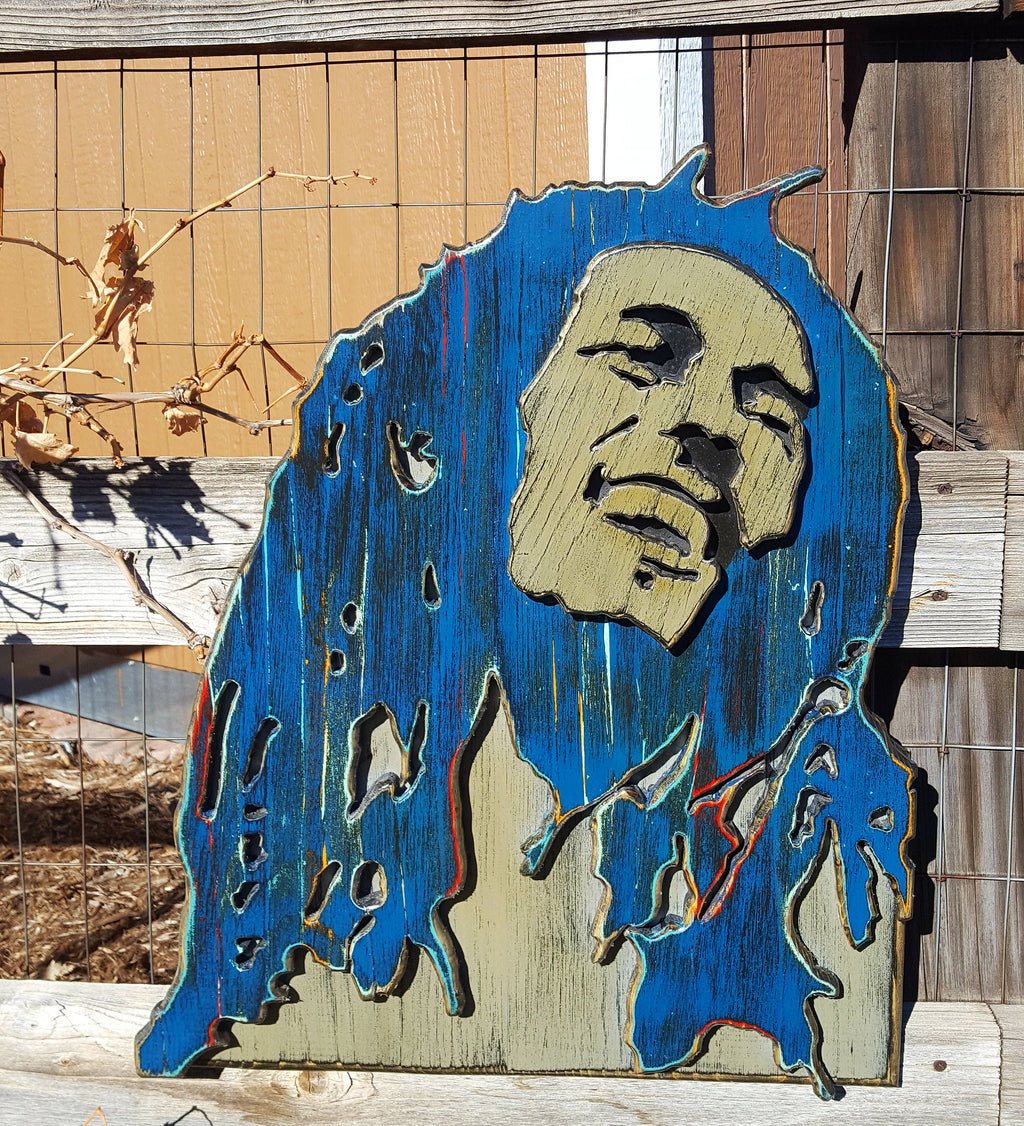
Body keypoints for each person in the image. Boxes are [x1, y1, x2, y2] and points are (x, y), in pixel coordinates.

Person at [138, 149, 913, 1098]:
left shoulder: (806, 832)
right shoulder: (333, 791)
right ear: (504, 404)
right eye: (643, 357)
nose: (711, 426)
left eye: (770, 413)